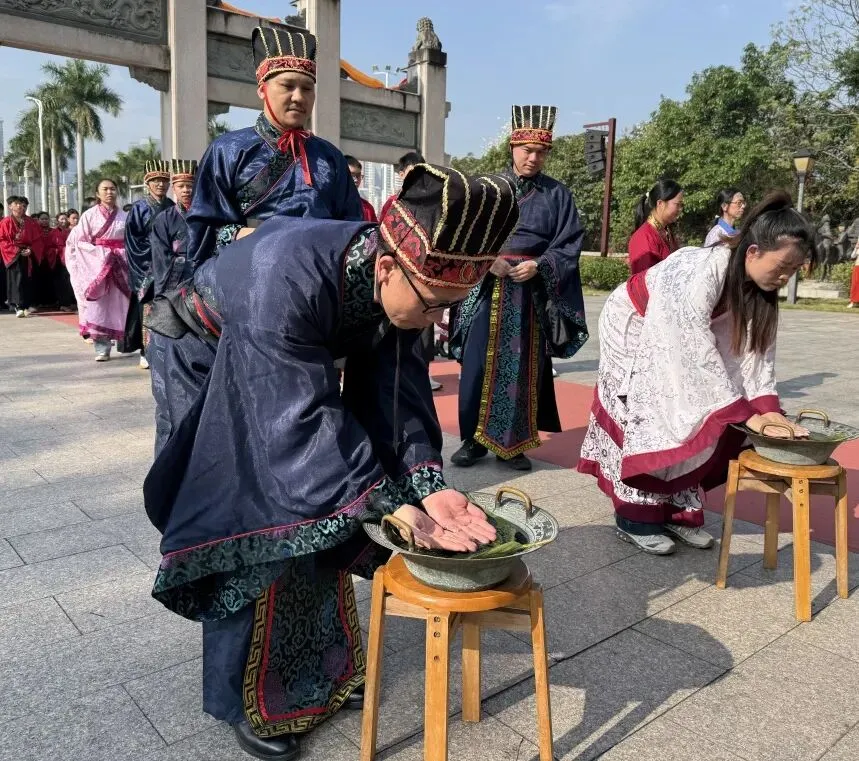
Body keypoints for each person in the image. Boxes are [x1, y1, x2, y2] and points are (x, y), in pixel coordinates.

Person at [143, 165, 518, 761]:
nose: (437, 324)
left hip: (281, 371)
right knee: (256, 516)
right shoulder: (283, 278)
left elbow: (400, 396)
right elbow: (294, 418)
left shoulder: (400, 283)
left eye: (452, 308)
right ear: (390, 267)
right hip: (205, 355)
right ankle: (250, 701)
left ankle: (321, 671)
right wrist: (383, 500)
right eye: (433, 306)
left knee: (329, 512)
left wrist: (425, 483)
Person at [578, 192, 815, 555]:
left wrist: (767, 409)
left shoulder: (759, 289)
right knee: (647, 410)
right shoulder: (704, 268)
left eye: (792, 271)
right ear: (752, 252)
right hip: (633, 324)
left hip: (675, 331)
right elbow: (687, 340)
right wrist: (740, 413)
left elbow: (756, 355)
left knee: (695, 414)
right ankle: (634, 517)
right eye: (781, 266)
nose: (784, 278)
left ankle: (678, 513)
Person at [451, 104, 589, 471]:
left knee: (523, 366)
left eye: (541, 152)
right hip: (487, 287)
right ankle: (472, 441)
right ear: (512, 147)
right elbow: (462, 234)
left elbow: (570, 242)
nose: (533, 158)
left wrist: (540, 265)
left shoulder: (558, 195)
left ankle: (512, 445)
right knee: (478, 364)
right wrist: (486, 259)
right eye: (527, 150)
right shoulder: (487, 188)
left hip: (530, 292)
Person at [187, 25, 362, 271]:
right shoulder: (227, 151)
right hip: (247, 284)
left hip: (320, 289)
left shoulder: (330, 157)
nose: (299, 97)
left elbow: (353, 229)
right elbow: (202, 233)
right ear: (262, 89)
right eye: (288, 86)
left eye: (307, 88)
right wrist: (269, 238)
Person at [65, 179, 129, 361]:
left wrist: (121, 253)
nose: (109, 192)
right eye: (105, 189)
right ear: (97, 194)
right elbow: (80, 243)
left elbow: (130, 241)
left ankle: (123, 341)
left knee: (120, 305)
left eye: (113, 189)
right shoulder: (89, 215)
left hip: (120, 265)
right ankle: (102, 347)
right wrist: (103, 254)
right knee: (99, 307)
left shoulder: (124, 216)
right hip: (99, 267)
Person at [125, 160, 175, 369]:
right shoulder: (139, 208)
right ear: (148, 183)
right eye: (156, 181)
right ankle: (145, 349)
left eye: (164, 181)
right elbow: (132, 240)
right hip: (148, 267)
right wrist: (152, 259)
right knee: (146, 308)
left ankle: (167, 348)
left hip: (170, 265)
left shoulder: (172, 207)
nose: (160, 185)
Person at [149, 159, 197, 299]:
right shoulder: (164, 218)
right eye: (181, 186)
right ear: (174, 189)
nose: (186, 190)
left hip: (203, 273)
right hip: (177, 278)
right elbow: (160, 256)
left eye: (190, 185)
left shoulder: (206, 215)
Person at [0, 195, 44, 318]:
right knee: (16, 279)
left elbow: (37, 239)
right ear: (10, 206)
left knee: (27, 279)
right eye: (16, 203)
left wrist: (31, 249)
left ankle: (26, 304)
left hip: (28, 253)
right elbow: (2, 240)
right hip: (14, 254)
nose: (19, 206)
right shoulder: (5, 222)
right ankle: (17, 305)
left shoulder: (30, 222)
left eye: (21, 204)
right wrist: (17, 250)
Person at [628, 179, 683, 274]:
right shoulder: (643, 237)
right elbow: (645, 280)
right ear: (660, 204)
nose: (680, 209)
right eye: (677, 204)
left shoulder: (667, 232)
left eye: (681, 205)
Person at [50, 211, 75, 312]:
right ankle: (63, 303)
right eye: (61, 219)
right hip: (58, 260)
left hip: (70, 258)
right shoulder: (54, 232)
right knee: (61, 283)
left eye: (65, 219)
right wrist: (58, 250)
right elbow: (49, 246)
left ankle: (71, 302)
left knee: (70, 281)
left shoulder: (71, 231)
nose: (64, 221)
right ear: (57, 221)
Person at [344, 155, 377, 222]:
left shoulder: (367, 208)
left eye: (358, 175)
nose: (356, 180)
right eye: (352, 175)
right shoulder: (327, 205)